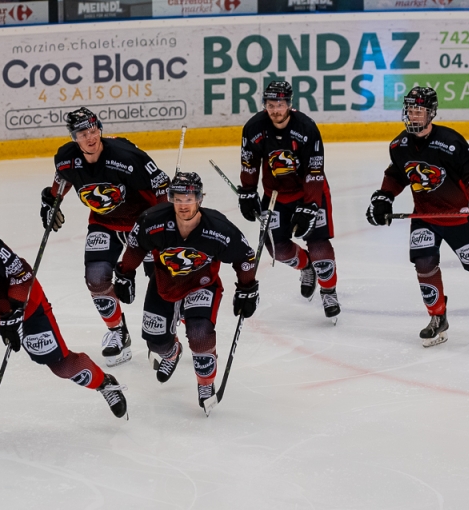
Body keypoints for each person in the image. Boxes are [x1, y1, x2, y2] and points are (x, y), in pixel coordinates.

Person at [0, 196, 127, 449]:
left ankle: (104, 383)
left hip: (26, 305)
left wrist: (14, 313)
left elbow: (23, 274)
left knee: (60, 365)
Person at [366, 86, 469, 346]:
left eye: (419, 110)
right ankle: (437, 317)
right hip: (425, 216)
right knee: (423, 264)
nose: (413, 115)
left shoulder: (451, 142)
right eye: (410, 110)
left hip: (460, 218)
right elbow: (397, 174)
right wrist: (384, 197)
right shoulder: (399, 145)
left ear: (431, 112)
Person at [111, 172, 259, 409]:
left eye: (189, 199)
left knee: (200, 335)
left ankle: (205, 382)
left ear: (200, 199)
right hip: (164, 284)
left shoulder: (218, 228)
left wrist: (247, 288)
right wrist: (125, 273)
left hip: (201, 284)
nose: (183, 205)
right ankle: (172, 352)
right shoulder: (152, 220)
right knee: (157, 344)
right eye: (178, 199)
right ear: (170, 198)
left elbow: (245, 257)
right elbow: (136, 247)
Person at [40, 107, 170, 367]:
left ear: (99, 128)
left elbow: (161, 184)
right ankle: (118, 332)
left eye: (93, 130)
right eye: (82, 133)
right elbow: (62, 180)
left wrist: (162, 224)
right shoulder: (66, 158)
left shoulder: (126, 156)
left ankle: (172, 324)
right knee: (96, 278)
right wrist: (50, 202)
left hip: (140, 225)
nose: (90, 137)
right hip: (103, 224)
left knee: (161, 277)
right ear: (73, 137)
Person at [238, 80, 340, 323]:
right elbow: (249, 163)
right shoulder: (254, 127)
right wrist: (248, 191)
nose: (275, 110)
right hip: (275, 195)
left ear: (289, 104)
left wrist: (311, 205)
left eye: (280, 104)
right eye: (270, 104)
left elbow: (314, 171)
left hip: (309, 192)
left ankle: (329, 291)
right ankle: (306, 267)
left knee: (318, 244)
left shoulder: (306, 127)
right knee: (278, 250)